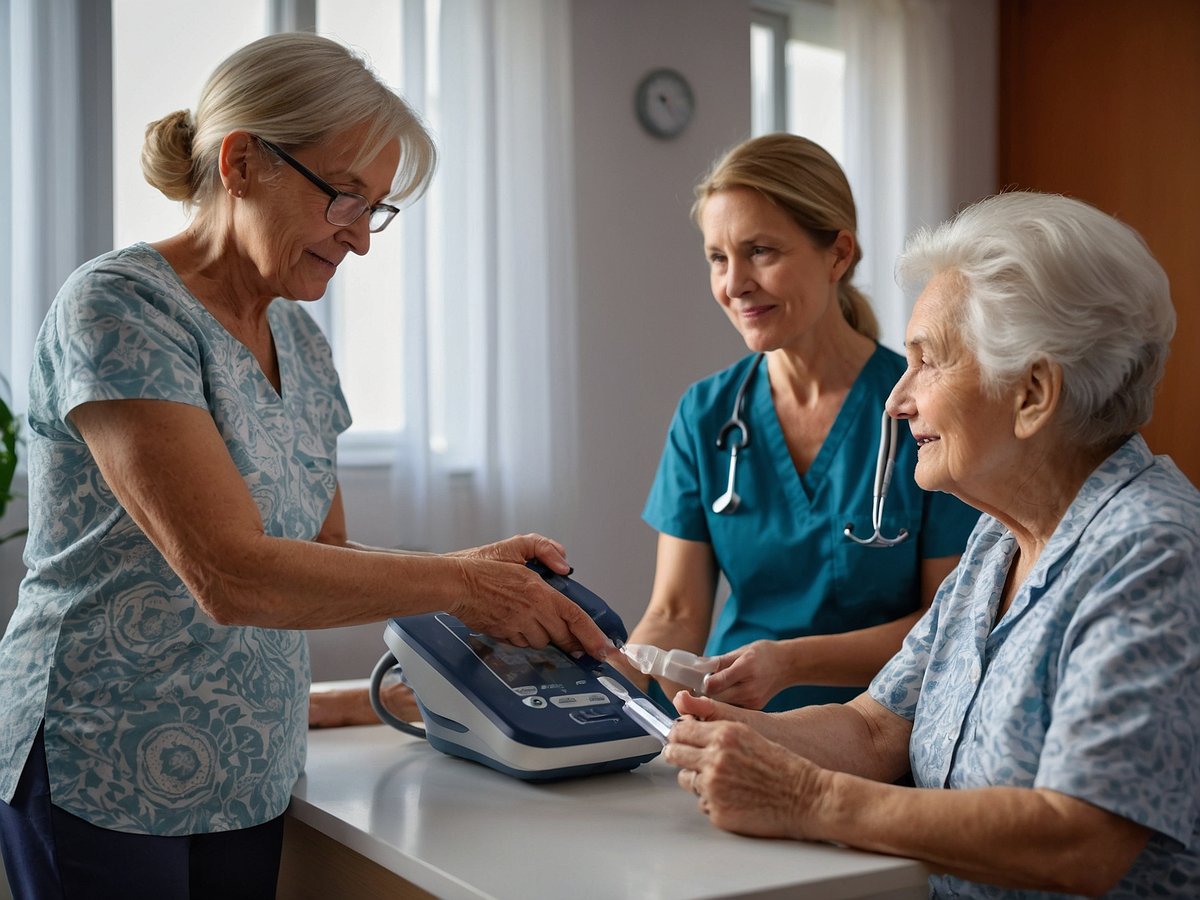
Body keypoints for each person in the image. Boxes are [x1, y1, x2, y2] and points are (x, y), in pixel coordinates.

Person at [0, 33, 611, 900]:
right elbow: (230, 574)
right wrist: (463, 590)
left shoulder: (301, 340)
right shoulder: (119, 306)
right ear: (243, 161)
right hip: (105, 749)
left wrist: (471, 571)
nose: (360, 240)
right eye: (344, 199)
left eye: (377, 210)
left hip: (246, 761)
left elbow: (320, 554)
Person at [663, 191, 1200, 897]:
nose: (897, 397)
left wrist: (807, 800)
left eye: (929, 362)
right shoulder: (998, 540)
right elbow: (877, 727)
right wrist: (723, 732)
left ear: (1034, 391)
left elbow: (1081, 837)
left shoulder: (1154, 554)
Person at [620, 134, 978, 712]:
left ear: (838, 254)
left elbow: (948, 620)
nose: (734, 284)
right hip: (731, 725)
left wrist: (790, 663)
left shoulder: (922, 407)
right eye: (718, 257)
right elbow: (675, 615)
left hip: (876, 733)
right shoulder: (706, 414)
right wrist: (597, 698)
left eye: (760, 251)